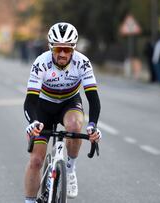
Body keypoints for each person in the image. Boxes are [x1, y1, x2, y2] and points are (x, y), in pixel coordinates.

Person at [23, 22, 102, 203]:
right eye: (58, 49)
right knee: (36, 160)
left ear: (73, 49)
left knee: (75, 126)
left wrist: (93, 125)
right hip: (43, 106)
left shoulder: (82, 63)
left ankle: (70, 168)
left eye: (68, 49)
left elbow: (93, 98)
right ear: (51, 47)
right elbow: (30, 102)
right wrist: (33, 123)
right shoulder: (41, 63)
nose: (63, 54)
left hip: (69, 103)